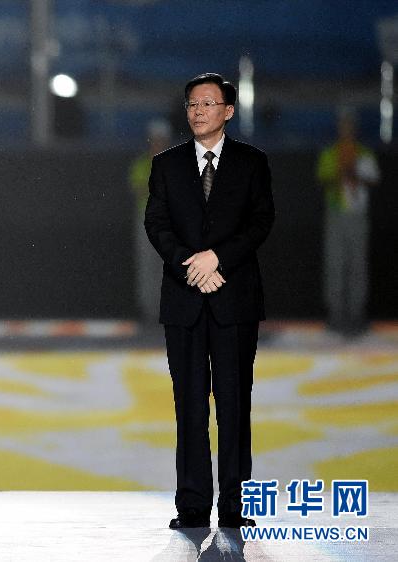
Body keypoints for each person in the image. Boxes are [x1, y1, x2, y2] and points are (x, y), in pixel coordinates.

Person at [144, 73, 275, 529]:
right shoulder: (166, 165)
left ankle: (237, 508)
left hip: (234, 299)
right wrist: (191, 266)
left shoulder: (251, 163)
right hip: (184, 301)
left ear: (228, 111)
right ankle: (193, 505)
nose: (197, 111)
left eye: (207, 103)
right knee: (190, 405)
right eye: (192, 104)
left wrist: (217, 258)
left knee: (235, 404)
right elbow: (157, 225)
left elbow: (260, 223)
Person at [316, 109, 380, 336]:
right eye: (343, 126)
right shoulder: (331, 153)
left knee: (357, 265)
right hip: (336, 213)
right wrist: (341, 172)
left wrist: (355, 174)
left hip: (358, 214)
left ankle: (356, 314)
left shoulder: (364, 152)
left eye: (350, 126)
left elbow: (373, 179)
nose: (347, 130)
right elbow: (323, 178)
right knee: (336, 264)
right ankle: (336, 314)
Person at [130, 119, 172, 325]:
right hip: (147, 220)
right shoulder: (141, 165)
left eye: (162, 141)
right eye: (155, 141)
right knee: (147, 266)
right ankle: (149, 311)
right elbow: (140, 190)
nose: (158, 144)